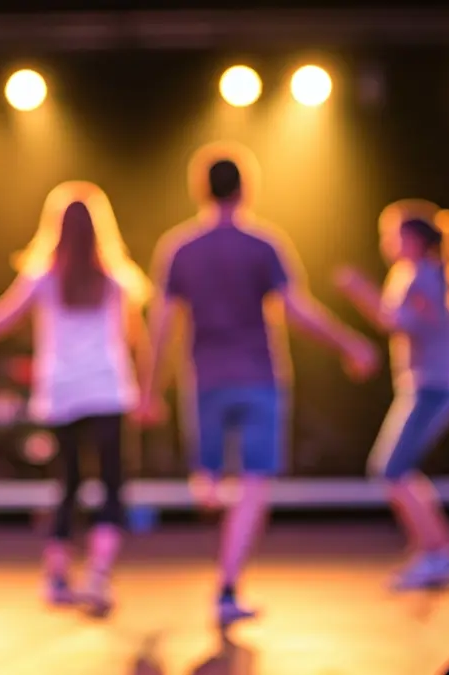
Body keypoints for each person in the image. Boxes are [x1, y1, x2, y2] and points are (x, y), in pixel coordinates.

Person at [138, 144, 380, 626]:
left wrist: (148, 390)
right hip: (260, 380)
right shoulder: (264, 245)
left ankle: (210, 490)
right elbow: (297, 309)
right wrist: (349, 342)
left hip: (205, 381)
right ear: (246, 189)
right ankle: (228, 584)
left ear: (200, 189)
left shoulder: (180, 247)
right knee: (254, 483)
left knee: (210, 480)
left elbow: (161, 324)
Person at [0, 182, 150, 616]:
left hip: (63, 391)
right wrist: (149, 390)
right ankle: (98, 575)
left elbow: (1, 317)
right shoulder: (118, 280)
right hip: (108, 390)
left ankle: (56, 576)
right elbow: (136, 339)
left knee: (68, 483)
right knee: (112, 485)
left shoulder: (43, 278)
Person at [333, 201, 449, 590]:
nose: (386, 243)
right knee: (399, 470)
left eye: (392, 235)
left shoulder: (423, 275)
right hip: (424, 385)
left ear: (411, 239)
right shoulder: (415, 274)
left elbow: (396, 322)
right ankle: (440, 549)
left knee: (392, 469)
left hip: (432, 387)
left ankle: (437, 553)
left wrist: (358, 289)